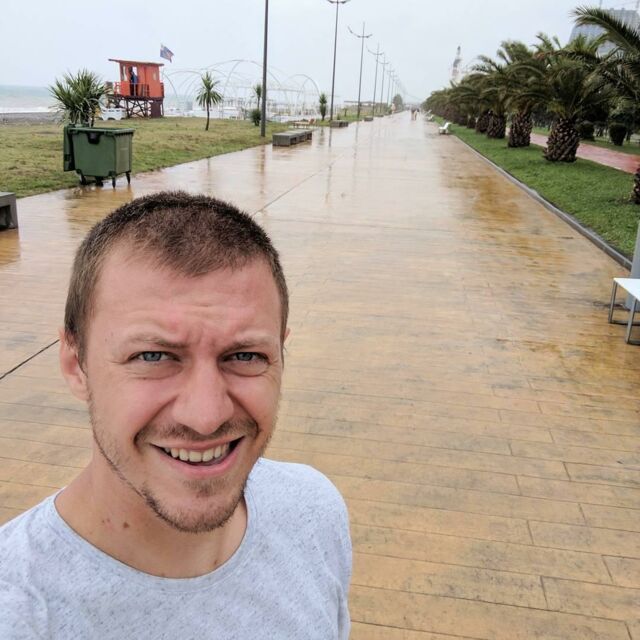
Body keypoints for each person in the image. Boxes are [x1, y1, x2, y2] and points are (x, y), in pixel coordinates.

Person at [0, 191, 352, 639]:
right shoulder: (17, 614)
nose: (206, 417)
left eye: (244, 355)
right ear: (75, 364)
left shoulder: (314, 511)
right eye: (152, 356)